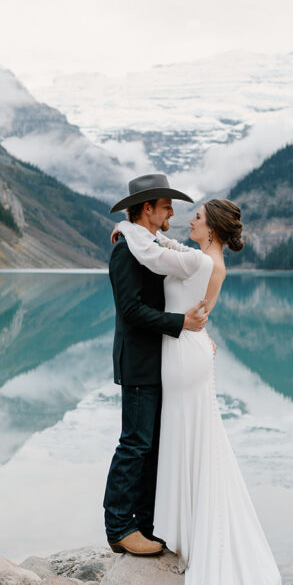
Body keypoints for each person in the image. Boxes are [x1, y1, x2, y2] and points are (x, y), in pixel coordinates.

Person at [115, 198, 293, 585]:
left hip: (183, 358)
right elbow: (174, 262)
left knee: (186, 437)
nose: (189, 220)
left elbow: (157, 258)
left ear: (213, 229)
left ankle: (184, 528)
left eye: (197, 217)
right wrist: (140, 234)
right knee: (189, 440)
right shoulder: (208, 260)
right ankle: (183, 525)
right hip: (187, 352)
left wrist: (127, 231)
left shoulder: (200, 260)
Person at [103, 173, 209, 558]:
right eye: (166, 206)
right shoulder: (125, 251)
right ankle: (118, 527)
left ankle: (144, 526)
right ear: (148, 209)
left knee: (151, 446)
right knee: (134, 444)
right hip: (138, 362)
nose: (171, 213)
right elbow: (130, 310)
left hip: (160, 361)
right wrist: (181, 324)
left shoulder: (144, 243)